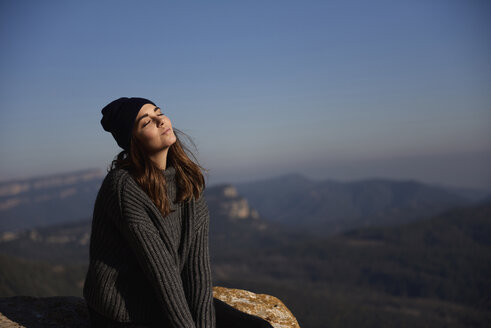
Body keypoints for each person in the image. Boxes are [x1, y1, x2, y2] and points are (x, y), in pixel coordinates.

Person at [83, 97, 273, 328]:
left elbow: (197, 268)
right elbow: (162, 273)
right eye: (147, 122)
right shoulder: (123, 187)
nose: (160, 120)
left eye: (158, 112)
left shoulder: (186, 180)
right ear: (134, 142)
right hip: (123, 312)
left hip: (168, 295)